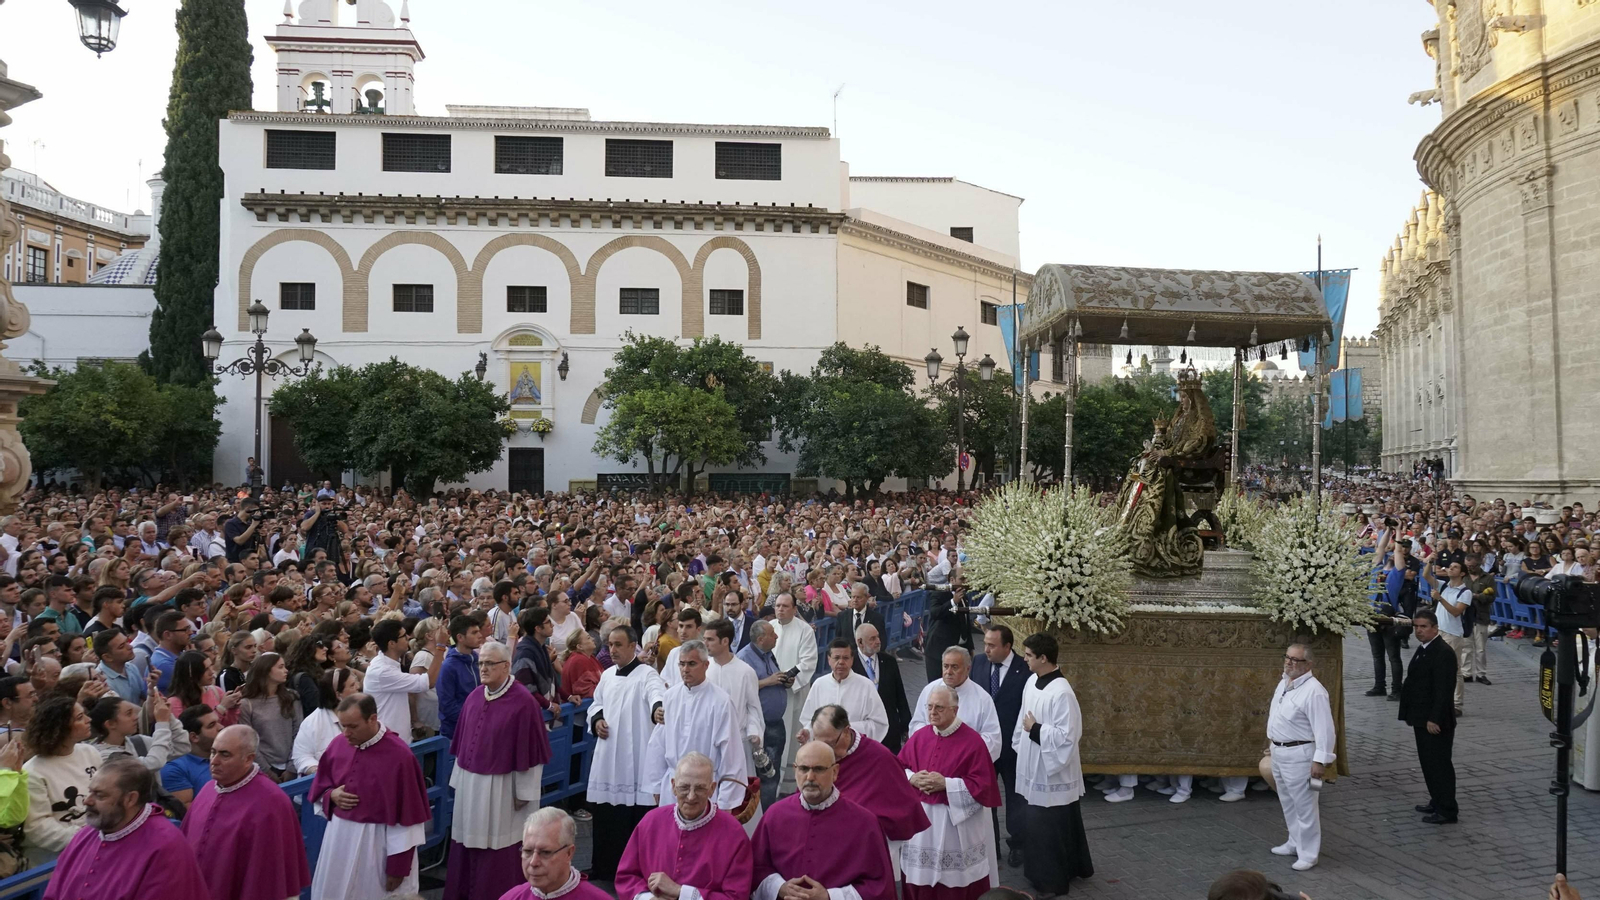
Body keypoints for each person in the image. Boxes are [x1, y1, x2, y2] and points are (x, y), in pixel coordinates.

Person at [446, 640, 551, 900]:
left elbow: (531, 754)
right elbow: (461, 750)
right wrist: (458, 784)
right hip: (471, 788)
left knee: (498, 849)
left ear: (506, 666)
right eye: (481, 662)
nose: (483, 668)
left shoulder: (523, 702)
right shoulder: (474, 696)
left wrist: (524, 794)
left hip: (503, 790)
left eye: (489, 663)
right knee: (466, 844)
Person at [308, 694, 432, 900]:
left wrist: (398, 866)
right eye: (342, 726)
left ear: (372, 719)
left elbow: (409, 817)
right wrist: (332, 795)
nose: (346, 734)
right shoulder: (338, 745)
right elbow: (320, 786)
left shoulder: (400, 756)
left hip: (376, 846)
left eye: (353, 727)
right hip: (338, 841)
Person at [41, 757, 208, 900]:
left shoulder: (165, 846)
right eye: (90, 792)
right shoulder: (85, 835)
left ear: (130, 799)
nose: (87, 801)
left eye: (100, 795)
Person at [750, 740, 895, 900]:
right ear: (795, 770)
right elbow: (755, 868)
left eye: (819, 769)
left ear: (835, 772)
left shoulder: (865, 823)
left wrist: (829, 897)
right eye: (804, 769)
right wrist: (779, 887)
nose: (810, 777)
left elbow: (879, 886)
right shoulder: (775, 815)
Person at [180, 725, 311, 900]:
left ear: (248, 759)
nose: (214, 760)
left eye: (225, 754)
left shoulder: (272, 802)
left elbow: (268, 878)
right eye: (213, 752)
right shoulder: (207, 790)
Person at [899, 683, 1001, 900]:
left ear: (955, 710)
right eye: (929, 707)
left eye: (939, 708)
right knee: (920, 877)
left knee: (954, 884)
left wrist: (947, 784)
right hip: (922, 825)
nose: (932, 713)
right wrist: (912, 778)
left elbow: (983, 787)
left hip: (955, 825)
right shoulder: (920, 736)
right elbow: (898, 768)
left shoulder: (973, 742)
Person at [1013, 632, 1094, 896]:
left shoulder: (1062, 692)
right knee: (1036, 825)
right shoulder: (1032, 681)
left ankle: (1053, 881)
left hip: (1052, 774)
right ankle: (1042, 872)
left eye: (1028, 655)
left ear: (1043, 658)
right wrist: (1020, 743)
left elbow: (1068, 736)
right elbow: (1021, 718)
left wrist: (1035, 729)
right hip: (1033, 765)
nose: (1024, 659)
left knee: (1050, 828)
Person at [808, 704, 929, 881]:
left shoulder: (880, 757)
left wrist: (860, 825)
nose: (824, 751)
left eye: (830, 744)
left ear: (847, 731)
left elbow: (903, 811)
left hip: (865, 852)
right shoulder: (818, 756)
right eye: (818, 743)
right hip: (824, 849)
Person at [615, 753, 754, 900]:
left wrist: (681, 892)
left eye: (700, 788)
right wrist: (649, 898)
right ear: (673, 786)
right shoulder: (651, 821)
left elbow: (736, 896)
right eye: (684, 787)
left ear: (712, 789)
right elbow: (627, 876)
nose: (691, 796)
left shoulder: (733, 834)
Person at [586, 624, 666, 880]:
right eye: (610, 644)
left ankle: (633, 871)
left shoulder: (646, 674)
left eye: (618, 644)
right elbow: (596, 703)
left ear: (633, 646)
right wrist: (597, 720)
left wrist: (657, 709)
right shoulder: (608, 675)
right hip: (609, 758)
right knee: (607, 815)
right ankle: (604, 867)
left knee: (632, 818)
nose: (612, 649)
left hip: (635, 760)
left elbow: (657, 694)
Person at [644, 640, 749, 813]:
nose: (685, 669)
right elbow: (658, 743)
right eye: (682, 664)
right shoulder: (670, 697)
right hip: (673, 786)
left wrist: (727, 801)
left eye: (692, 664)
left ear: (706, 665)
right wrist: (655, 785)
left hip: (704, 788)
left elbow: (731, 752)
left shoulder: (720, 701)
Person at [1265, 644, 1336, 872]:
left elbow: (1325, 729)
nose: (1290, 663)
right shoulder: (1284, 683)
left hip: (1300, 754)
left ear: (1308, 665)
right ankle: (1294, 842)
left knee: (1305, 807)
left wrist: (1319, 761)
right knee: (1287, 802)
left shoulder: (1314, 691)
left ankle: (1308, 854)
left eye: (1296, 660)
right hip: (1280, 751)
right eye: (1287, 657)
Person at [971, 624, 1029, 867]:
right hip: (985, 746)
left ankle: (1018, 845)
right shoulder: (979, 663)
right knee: (986, 797)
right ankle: (990, 846)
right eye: (985, 643)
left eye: (992, 645)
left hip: (1013, 748)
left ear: (1008, 646)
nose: (986, 649)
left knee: (1016, 797)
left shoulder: (1024, 670)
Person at [22, 697, 101, 866]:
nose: (89, 720)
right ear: (59, 728)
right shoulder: (33, 771)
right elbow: (37, 828)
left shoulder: (90, 752)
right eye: (80, 718)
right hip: (58, 858)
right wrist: (87, 836)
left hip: (99, 841)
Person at [1400, 608, 1459, 824]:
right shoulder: (1425, 648)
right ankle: (1436, 800)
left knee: (1439, 764)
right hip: (1421, 718)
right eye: (1416, 627)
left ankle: (1447, 810)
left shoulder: (1443, 652)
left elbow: (1444, 690)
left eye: (1423, 627)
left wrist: (1434, 718)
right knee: (1428, 763)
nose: (1418, 631)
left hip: (1435, 721)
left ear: (1435, 628)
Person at [909, 647, 1003, 762]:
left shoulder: (982, 699)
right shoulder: (929, 690)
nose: (948, 672)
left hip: (963, 762)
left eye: (954, 667)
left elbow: (992, 738)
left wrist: (959, 749)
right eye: (945, 666)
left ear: (967, 669)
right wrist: (932, 739)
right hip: (930, 756)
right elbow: (917, 723)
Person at [497, 808, 612, 900]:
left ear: (569, 853)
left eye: (545, 852)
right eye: (528, 851)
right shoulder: (512, 897)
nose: (533, 862)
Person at [364, 617, 446, 739]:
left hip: (398, 738)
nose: (408, 637)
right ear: (391, 643)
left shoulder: (387, 663)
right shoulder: (382, 671)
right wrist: (440, 646)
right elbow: (428, 682)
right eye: (403, 636)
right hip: (388, 741)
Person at [798, 639, 888, 744]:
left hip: (855, 748)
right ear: (829, 659)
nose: (841, 662)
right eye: (836, 658)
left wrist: (845, 730)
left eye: (845, 658)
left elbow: (879, 723)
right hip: (824, 748)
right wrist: (808, 732)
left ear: (852, 660)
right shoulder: (819, 684)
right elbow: (808, 719)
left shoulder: (866, 685)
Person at [236, 652, 303, 780]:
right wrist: (267, 771)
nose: (286, 670)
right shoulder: (247, 704)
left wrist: (291, 767)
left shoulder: (291, 697)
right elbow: (249, 742)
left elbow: (299, 732)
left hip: (292, 763)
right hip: (263, 768)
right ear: (266, 671)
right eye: (280, 667)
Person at [770, 593, 817, 770]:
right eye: (778, 606)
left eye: (785, 606)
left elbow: (808, 661)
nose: (780, 609)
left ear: (794, 609)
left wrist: (790, 680)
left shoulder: (805, 630)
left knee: (792, 734)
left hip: (793, 692)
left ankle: (790, 780)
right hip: (770, 691)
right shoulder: (769, 627)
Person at [852, 622, 911, 752]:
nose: (878, 641)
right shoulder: (851, 664)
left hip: (890, 729)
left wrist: (906, 723)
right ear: (860, 642)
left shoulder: (889, 661)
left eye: (878, 637)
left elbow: (899, 694)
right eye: (872, 639)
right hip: (863, 731)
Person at [293, 667, 362, 775]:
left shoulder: (364, 713)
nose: (358, 687)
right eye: (352, 685)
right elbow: (301, 756)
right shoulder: (312, 723)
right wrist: (317, 772)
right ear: (338, 694)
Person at [1424, 558, 1470, 717]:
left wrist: (1440, 599)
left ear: (1462, 573)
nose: (1450, 569)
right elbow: (1426, 576)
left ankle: (1457, 703)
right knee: (1435, 666)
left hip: (1453, 633)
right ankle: (1438, 699)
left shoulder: (1465, 592)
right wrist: (1429, 562)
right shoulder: (1443, 585)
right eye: (1450, 567)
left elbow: (1456, 612)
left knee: (1454, 669)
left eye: (1455, 567)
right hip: (1439, 631)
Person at [160, 705, 220, 806]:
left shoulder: (231, 756)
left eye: (218, 722)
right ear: (194, 737)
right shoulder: (175, 769)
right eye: (211, 725)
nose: (221, 727)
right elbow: (188, 815)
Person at [437, 615, 483, 739]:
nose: (480, 635)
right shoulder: (449, 667)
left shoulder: (478, 659)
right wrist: (475, 717)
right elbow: (447, 706)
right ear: (460, 637)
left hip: (479, 728)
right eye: (474, 632)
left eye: (479, 631)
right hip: (457, 734)